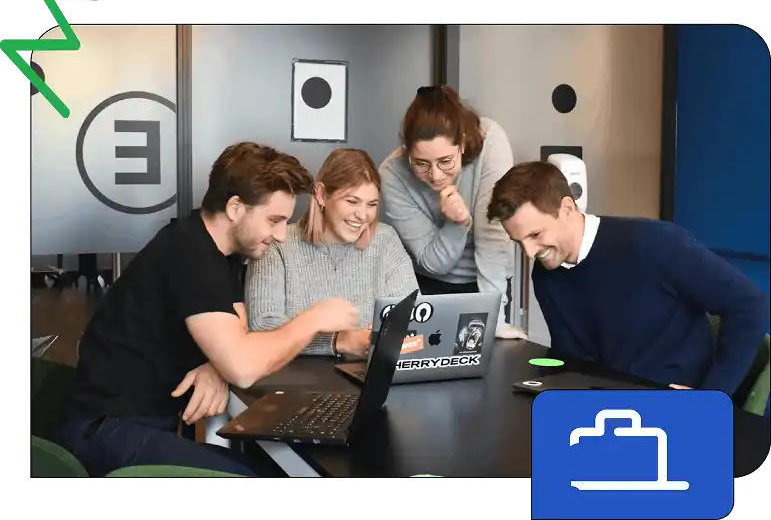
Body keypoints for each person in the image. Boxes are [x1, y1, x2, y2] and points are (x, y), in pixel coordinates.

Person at [55, 142, 361, 477]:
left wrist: (217, 364)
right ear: (235, 207)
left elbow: (238, 333)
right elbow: (244, 367)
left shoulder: (219, 251)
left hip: (133, 426)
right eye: (273, 220)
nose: (280, 235)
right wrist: (313, 319)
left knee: (271, 470)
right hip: (105, 432)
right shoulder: (192, 255)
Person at [486, 160, 768, 395]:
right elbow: (574, 359)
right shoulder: (547, 274)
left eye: (535, 235)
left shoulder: (655, 243)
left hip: (672, 410)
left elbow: (748, 306)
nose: (529, 251)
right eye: (518, 241)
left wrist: (712, 398)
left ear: (568, 209)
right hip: (607, 411)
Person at [379, 85, 524, 339]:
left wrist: (495, 321)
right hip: (428, 287)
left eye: (446, 161)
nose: (435, 175)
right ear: (406, 150)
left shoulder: (490, 140)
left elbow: (493, 238)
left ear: (464, 143)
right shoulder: (392, 174)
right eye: (421, 163)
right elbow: (433, 262)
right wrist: (457, 223)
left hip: (489, 285)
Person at [246, 148, 419, 358]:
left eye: (371, 204)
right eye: (352, 201)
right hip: (291, 377)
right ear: (321, 195)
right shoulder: (278, 244)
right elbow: (262, 326)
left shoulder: (385, 240)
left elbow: (414, 317)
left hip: (366, 374)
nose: (363, 215)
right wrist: (338, 340)